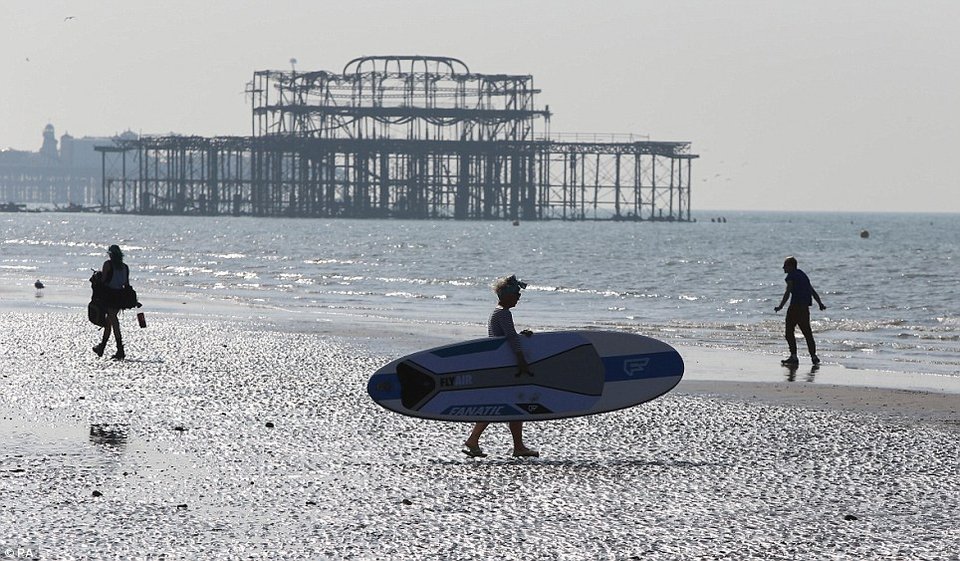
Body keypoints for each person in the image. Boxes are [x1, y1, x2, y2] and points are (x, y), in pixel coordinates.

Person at [462, 275, 539, 458]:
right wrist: (521, 360)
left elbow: (506, 337)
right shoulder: (504, 313)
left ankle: (515, 446)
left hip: (499, 365)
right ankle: (476, 440)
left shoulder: (497, 312)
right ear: (506, 295)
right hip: (505, 367)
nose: (518, 297)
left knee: (510, 404)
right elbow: (510, 339)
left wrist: (521, 336)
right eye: (516, 294)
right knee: (506, 404)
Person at [774, 256, 826, 365]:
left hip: (795, 307)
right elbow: (812, 290)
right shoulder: (803, 275)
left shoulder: (791, 276)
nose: (783, 267)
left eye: (785, 265)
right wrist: (820, 303)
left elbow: (788, 292)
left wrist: (780, 306)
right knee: (807, 333)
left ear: (791, 266)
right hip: (804, 308)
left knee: (789, 332)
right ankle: (814, 356)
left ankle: (793, 356)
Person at [92, 244, 131, 360]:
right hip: (120, 296)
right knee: (109, 322)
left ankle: (120, 350)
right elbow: (126, 284)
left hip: (109, 296)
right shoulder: (125, 267)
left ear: (111, 255)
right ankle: (101, 348)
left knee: (113, 321)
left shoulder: (108, 264)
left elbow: (103, 281)